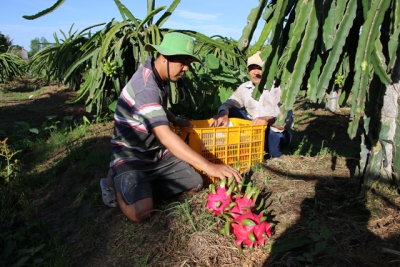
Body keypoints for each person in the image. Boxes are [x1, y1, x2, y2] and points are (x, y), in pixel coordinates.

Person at [100, 32, 242, 222]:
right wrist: (210, 166)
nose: (186, 69)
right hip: (130, 155)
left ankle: (143, 185)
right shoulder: (146, 87)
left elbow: (157, 109)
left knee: (195, 183)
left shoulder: (160, 75)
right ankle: (116, 177)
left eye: (188, 64)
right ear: (164, 57)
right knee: (141, 212)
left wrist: (175, 119)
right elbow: (165, 136)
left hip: (155, 153)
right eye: (182, 63)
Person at [209, 51, 293, 159]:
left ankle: (275, 156)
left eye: (259, 68)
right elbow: (228, 103)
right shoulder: (244, 88)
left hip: (276, 134)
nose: (255, 72)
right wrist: (223, 113)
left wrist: (269, 120)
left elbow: (289, 121)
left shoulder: (279, 88)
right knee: (233, 111)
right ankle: (237, 146)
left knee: (274, 130)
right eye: (252, 68)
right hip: (254, 131)